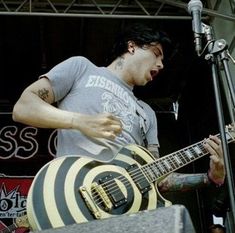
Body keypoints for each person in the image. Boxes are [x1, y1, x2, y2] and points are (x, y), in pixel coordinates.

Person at [12, 23, 225, 194]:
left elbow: (159, 178)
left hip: (124, 211)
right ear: (132, 47)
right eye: (156, 53)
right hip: (73, 195)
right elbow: (23, 107)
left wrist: (209, 178)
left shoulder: (147, 113)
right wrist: (80, 121)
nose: (161, 65)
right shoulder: (82, 68)